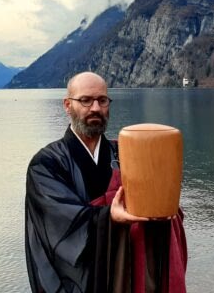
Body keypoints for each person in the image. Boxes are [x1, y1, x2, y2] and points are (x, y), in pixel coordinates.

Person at [25, 72, 187, 293]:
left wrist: (164, 207)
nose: (95, 108)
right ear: (67, 105)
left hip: (130, 273)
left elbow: (154, 198)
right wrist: (108, 217)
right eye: (85, 100)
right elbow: (58, 221)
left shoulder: (124, 152)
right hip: (86, 279)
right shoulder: (46, 163)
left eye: (102, 100)